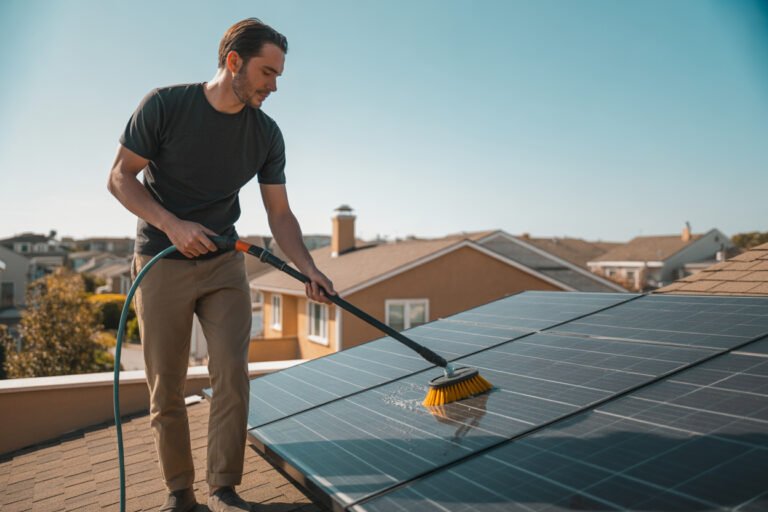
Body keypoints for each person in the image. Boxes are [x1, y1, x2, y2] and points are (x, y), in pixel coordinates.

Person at [108, 18, 335, 512]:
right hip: (161, 263)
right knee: (165, 385)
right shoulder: (165, 105)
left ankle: (224, 489)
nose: (274, 86)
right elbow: (121, 178)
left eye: (278, 76)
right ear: (234, 61)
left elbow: (280, 213)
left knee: (232, 371)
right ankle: (180, 495)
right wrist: (171, 224)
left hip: (224, 266)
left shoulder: (266, 134)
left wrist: (309, 268)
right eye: (267, 73)